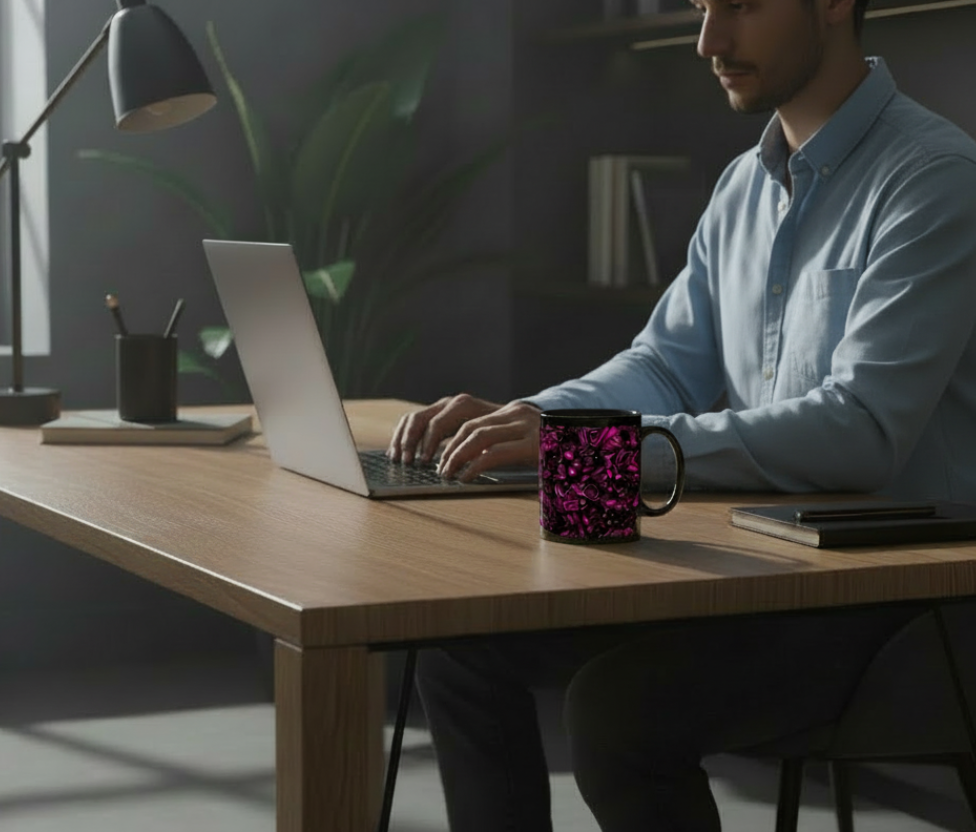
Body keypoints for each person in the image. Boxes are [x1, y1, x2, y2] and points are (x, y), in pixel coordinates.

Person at [387, 0, 976, 827]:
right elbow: (665, 366)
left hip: (906, 609)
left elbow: (862, 432)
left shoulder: (934, 178)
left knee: (618, 713)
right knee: (459, 645)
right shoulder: (743, 185)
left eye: (738, 6)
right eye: (700, 8)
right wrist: (534, 420)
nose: (708, 41)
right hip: (764, 570)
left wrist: (600, 454)